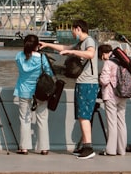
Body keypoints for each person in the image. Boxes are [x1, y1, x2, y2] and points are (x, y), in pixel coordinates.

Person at [39, 18, 97, 159]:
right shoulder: (80, 43)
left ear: (78, 28)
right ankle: (84, 146)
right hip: (82, 82)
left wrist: (72, 53)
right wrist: (47, 44)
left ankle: (88, 148)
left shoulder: (89, 41)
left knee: (84, 116)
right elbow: (65, 48)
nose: (72, 33)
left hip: (88, 83)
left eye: (72, 30)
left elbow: (90, 54)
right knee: (81, 116)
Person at [13, 33, 50, 155]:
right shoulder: (41, 58)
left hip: (24, 91)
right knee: (42, 118)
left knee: (24, 119)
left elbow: (21, 67)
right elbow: (49, 73)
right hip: (40, 92)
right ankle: (44, 148)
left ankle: (24, 147)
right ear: (37, 45)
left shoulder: (19, 56)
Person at [98, 44, 127, 157]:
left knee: (112, 123)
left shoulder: (109, 62)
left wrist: (100, 78)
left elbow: (104, 81)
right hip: (123, 95)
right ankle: (122, 149)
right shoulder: (122, 61)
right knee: (121, 122)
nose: (102, 58)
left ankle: (111, 150)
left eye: (102, 56)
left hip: (111, 95)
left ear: (104, 53)